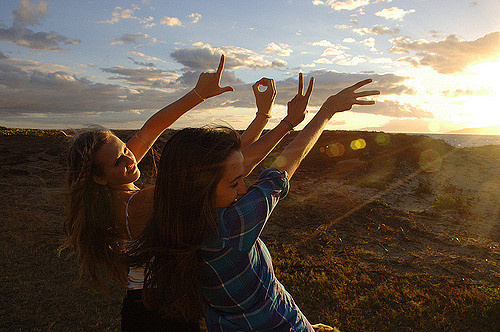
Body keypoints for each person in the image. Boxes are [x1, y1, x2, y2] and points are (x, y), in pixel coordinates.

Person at [62, 53, 307, 330]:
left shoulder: (110, 189)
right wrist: (283, 124)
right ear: (99, 178)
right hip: (163, 311)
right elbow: (229, 164)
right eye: (118, 161)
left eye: (125, 148)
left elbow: (152, 128)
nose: (130, 158)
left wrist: (198, 94)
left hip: (142, 304)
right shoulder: (138, 204)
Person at [128, 76, 380, 331]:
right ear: (200, 188)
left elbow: (231, 165)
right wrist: (327, 110)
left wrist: (280, 120)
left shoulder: (170, 216)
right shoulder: (230, 228)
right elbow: (284, 166)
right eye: (234, 182)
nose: (243, 188)